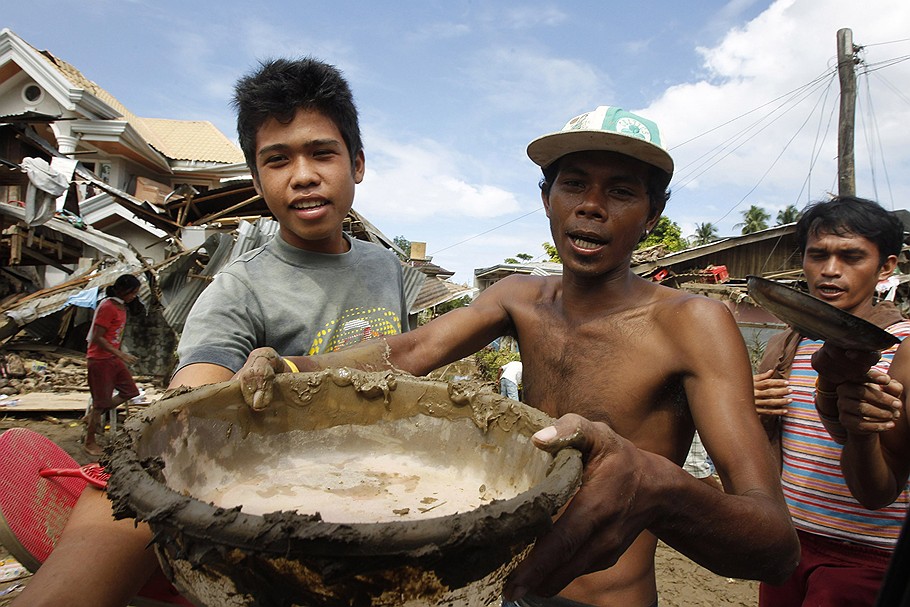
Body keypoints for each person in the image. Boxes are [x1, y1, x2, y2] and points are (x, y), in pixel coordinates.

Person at [241, 105, 800, 607]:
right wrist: (292, 368)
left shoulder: (693, 323)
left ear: (652, 215)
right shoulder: (520, 298)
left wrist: (657, 486)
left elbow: (774, 547)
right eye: (574, 184)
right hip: (502, 590)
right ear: (545, 199)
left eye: (622, 192)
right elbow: (413, 349)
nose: (591, 206)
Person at [12, 56, 409, 607]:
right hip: (277, 492)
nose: (303, 175)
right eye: (277, 160)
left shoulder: (385, 266)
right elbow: (192, 400)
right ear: (257, 178)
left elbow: (409, 356)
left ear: (357, 163)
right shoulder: (237, 290)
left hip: (389, 484)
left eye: (322, 152)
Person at [753, 196, 910, 606]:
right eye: (817, 255)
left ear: (886, 267)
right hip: (788, 540)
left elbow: (884, 485)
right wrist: (749, 409)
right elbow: (763, 449)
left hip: (867, 552)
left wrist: (861, 426)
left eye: (852, 256)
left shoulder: (904, 348)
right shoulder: (785, 345)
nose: (830, 270)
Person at [83, 273, 141, 457]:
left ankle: (93, 415)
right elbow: (97, 337)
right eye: (133, 293)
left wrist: (117, 354)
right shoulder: (107, 307)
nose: (134, 296)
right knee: (100, 404)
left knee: (131, 392)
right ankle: (89, 442)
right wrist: (120, 354)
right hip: (100, 360)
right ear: (124, 291)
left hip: (112, 359)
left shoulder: (121, 307)